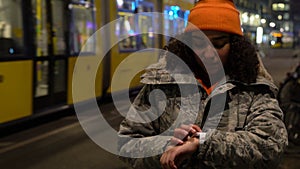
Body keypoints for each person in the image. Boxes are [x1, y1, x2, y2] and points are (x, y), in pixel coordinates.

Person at [118, 0, 288, 168]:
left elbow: (271, 146)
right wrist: (166, 144)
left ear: (236, 45)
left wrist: (203, 143)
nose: (208, 53)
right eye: (199, 43)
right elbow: (127, 143)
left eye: (219, 44)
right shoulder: (162, 82)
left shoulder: (255, 87)